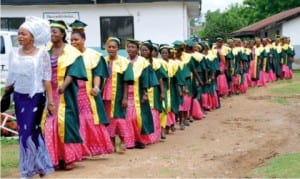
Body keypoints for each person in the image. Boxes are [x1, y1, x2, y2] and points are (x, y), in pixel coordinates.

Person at [3, 16, 54, 178]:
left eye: (24, 34)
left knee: (29, 131)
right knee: (29, 131)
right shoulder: (13, 53)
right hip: (19, 97)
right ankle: (41, 165)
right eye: (19, 34)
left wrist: (51, 101)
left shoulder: (42, 55)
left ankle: (28, 170)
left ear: (33, 36)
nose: (20, 37)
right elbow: (10, 77)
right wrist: (6, 93)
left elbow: (47, 79)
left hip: (36, 97)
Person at [43, 19, 87, 170]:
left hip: (65, 92)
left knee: (66, 123)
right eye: (50, 31)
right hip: (48, 91)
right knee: (49, 125)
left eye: (55, 31)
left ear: (62, 34)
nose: (52, 34)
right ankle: (54, 158)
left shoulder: (72, 52)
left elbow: (74, 71)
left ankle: (68, 158)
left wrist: (63, 86)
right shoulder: (46, 50)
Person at [69, 20, 114, 157]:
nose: (73, 42)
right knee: (74, 120)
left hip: (87, 93)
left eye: (76, 39)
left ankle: (91, 148)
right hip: (71, 92)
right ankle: (77, 150)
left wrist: (96, 87)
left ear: (83, 39)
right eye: (71, 40)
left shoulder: (94, 55)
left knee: (88, 119)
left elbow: (97, 73)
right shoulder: (67, 54)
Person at [103, 37, 135, 152]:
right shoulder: (103, 61)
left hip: (119, 93)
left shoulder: (124, 62)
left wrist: (125, 97)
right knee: (108, 118)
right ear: (106, 48)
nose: (111, 49)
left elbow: (126, 81)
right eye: (109, 47)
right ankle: (111, 143)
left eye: (114, 47)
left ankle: (122, 142)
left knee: (120, 118)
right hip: (106, 93)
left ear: (118, 48)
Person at [125, 38, 158, 149]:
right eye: (129, 47)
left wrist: (144, 93)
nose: (130, 49)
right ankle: (130, 141)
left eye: (133, 47)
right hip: (126, 93)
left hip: (138, 92)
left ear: (137, 49)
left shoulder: (142, 62)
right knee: (128, 118)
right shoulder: (124, 61)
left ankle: (140, 139)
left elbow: (145, 78)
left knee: (137, 117)